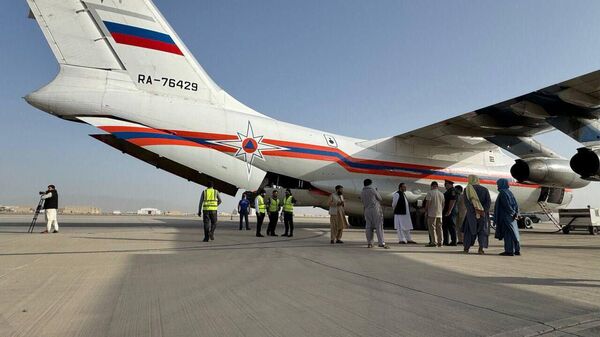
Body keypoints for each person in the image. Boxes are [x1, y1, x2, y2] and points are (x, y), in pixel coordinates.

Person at [463, 175, 491, 254]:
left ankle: (466, 248)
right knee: (482, 232)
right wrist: (482, 211)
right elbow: (488, 202)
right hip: (483, 215)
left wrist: (474, 211)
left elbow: (467, 203)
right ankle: (481, 249)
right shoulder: (485, 190)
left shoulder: (467, 190)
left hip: (471, 215)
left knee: (468, 232)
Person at [494, 178, 521, 256]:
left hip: (506, 217)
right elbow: (515, 204)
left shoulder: (503, 193)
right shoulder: (509, 192)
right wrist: (516, 213)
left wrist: (512, 213)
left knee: (508, 234)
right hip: (512, 218)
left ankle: (509, 251)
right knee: (514, 233)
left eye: (498, 184)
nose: (497, 186)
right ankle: (516, 250)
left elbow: (506, 205)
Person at [360, 179, 389, 249]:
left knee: (368, 227)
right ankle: (381, 243)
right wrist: (376, 191)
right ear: (370, 183)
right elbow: (380, 198)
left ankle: (370, 243)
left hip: (367, 210)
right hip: (375, 210)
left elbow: (362, 200)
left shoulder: (362, 191)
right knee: (379, 226)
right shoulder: (372, 190)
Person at [423, 181, 444, 247]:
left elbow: (428, 203)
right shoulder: (441, 194)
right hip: (439, 213)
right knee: (439, 228)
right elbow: (443, 204)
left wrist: (426, 211)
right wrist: (441, 210)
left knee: (432, 228)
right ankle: (440, 242)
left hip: (432, 213)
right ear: (437, 186)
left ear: (432, 186)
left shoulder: (430, 193)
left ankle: (433, 242)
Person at [442, 180, 458, 246]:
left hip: (450, 212)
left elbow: (452, 200)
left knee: (451, 226)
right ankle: (446, 241)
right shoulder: (448, 191)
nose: (445, 185)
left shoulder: (452, 191)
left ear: (449, 184)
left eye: (446, 184)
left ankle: (454, 241)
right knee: (445, 226)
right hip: (447, 211)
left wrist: (449, 211)